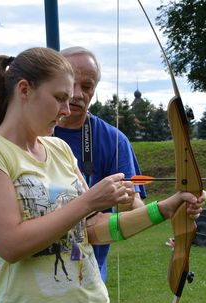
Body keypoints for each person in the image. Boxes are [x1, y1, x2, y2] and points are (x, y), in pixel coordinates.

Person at [0, 47, 206, 303]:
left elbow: (92, 229)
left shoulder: (59, 149)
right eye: (59, 98)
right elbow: (10, 245)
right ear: (24, 90)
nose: (67, 110)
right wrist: (89, 201)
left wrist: (166, 209)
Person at [54, 46, 145, 281]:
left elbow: (136, 209)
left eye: (87, 87)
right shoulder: (28, 133)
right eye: (71, 83)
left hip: (87, 280)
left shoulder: (114, 140)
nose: (77, 94)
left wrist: (128, 201)